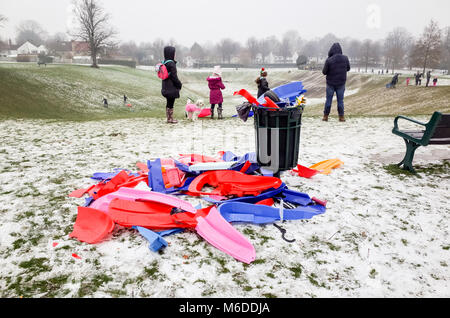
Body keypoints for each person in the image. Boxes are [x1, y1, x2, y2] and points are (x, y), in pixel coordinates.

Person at [322, 43, 351, 122]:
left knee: (328, 100)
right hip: (341, 83)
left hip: (330, 83)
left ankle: (325, 116)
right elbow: (348, 68)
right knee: (340, 101)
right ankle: (341, 117)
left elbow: (324, 72)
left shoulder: (329, 60)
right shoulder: (345, 58)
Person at [161, 46, 183, 124]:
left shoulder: (164, 62)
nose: (175, 54)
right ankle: (170, 119)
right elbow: (174, 77)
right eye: (174, 53)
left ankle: (169, 118)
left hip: (165, 86)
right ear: (171, 53)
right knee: (171, 103)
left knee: (168, 102)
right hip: (171, 87)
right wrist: (179, 84)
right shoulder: (171, 63)